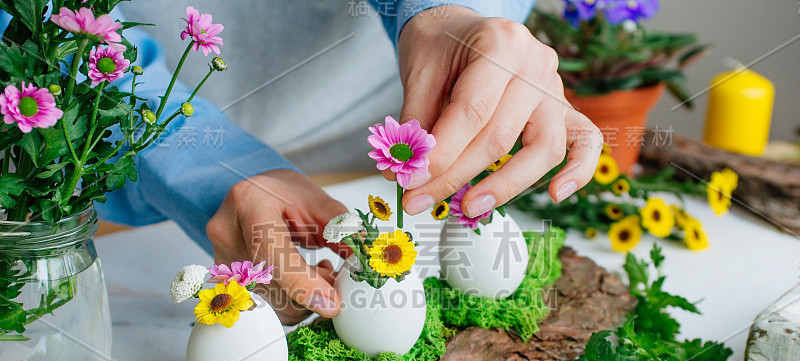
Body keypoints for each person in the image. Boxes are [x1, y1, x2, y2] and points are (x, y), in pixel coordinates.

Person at [2, 1, 603, 324]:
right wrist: (194, 162)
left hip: (366, 133)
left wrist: (444, 10)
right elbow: (30, 25)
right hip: (111, 164)